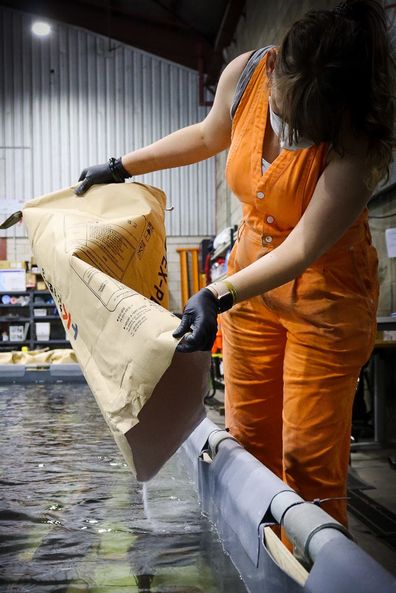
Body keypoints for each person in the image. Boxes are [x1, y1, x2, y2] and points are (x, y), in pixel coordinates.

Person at [75, 0, 395, 531]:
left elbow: (301, 251)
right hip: (251, 293)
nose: (288, 134)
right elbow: (206, 136)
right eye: (286, 115)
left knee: (308, 465)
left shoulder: (359, 142)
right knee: (247, 444)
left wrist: (216, 293)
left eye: (306, 132)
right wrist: (119, 166)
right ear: (275, 74)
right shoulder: (247, 74)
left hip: (326, 300)